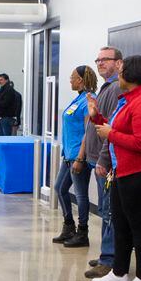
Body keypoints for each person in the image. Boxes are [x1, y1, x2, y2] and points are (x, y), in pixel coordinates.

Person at [88, 56, 141, 281]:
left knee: (140, 229)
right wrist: (97, 118)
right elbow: (116, 128)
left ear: (130, 76)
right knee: (120, 224)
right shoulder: (129, 100)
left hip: (139, 175)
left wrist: (112, 133)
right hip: (122, 172)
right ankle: (119, 273)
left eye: (120, 73)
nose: (117, 77)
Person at [84, 47, 123, 279]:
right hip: (98, 159)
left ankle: (109, 259)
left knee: (108, 211)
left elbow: (111, 129)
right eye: (97, 59)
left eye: (105, 60)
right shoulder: (106, 88)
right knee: (105, 209)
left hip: (105, 162)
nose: (99, 63)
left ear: (119, 63)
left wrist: (102, 158)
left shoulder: (116, 88)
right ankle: (105, 254)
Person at [52, 66, 98, 247]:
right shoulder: (77, 99)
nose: (70, 80)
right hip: (68, 155)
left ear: (80, 79)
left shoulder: (89, 100)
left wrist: (80, 157)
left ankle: (82, 232)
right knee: (60, 189)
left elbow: (89, 131)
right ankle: (68, 225)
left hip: (79, 156)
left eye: (72, 77)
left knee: (80, 195)